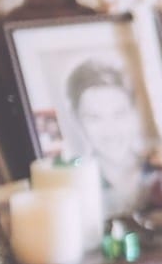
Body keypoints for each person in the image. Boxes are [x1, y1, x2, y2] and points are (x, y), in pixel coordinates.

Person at [63, 58, 149, 218]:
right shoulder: (74, 187)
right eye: (94, 118)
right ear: (77, 120)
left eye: (119, 114)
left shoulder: (160, 172)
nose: (110, 130)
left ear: (134, 113)